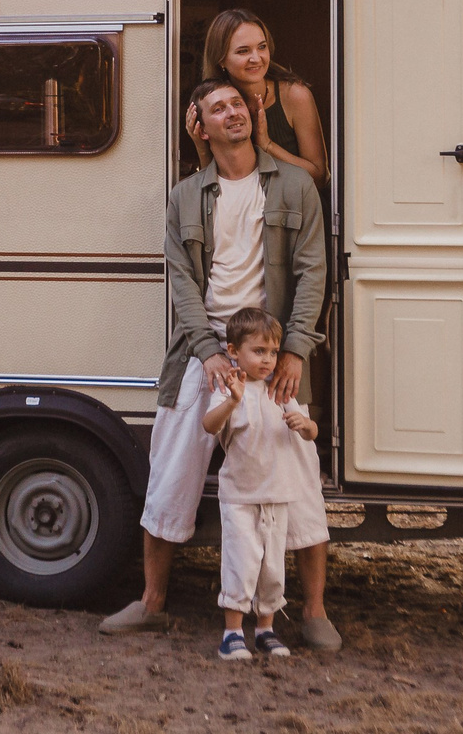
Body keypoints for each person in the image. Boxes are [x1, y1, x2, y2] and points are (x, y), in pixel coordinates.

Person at [100, 78, 337, 648]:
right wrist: (207, 354)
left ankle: (314, 612)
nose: (231, 113)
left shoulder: (295, 186)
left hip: (268, 353)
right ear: (198, 126)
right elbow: (180, 282)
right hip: (203, 349)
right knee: (170, 475)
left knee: (299, 482)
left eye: (237, 103)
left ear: (252, 114)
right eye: (217, 108)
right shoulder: (186, 196)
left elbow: (313, 272)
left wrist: (295, 349)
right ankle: (152, 601)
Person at [201, 307, 322, 660]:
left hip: (277, 494)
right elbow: (210, 426)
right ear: (233, 351)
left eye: (272, 352)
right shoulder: (230, 388)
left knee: (272, 566)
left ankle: (266, 630)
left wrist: (305, 424)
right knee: (242, 561)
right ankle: (232, 633)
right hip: (240, 495)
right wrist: (233, 401)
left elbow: (312, 433)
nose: (268, 360)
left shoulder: (280, 392)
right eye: (259, 351)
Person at [201, 8, 327, 183]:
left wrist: (267, 145)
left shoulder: (295, 95)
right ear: (221, 59)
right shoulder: (215, 106)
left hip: (294, 205)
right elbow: (215, 182)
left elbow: (319, 176)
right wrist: (201, 142)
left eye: (262, 47)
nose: (256, 58)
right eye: (243, 51)